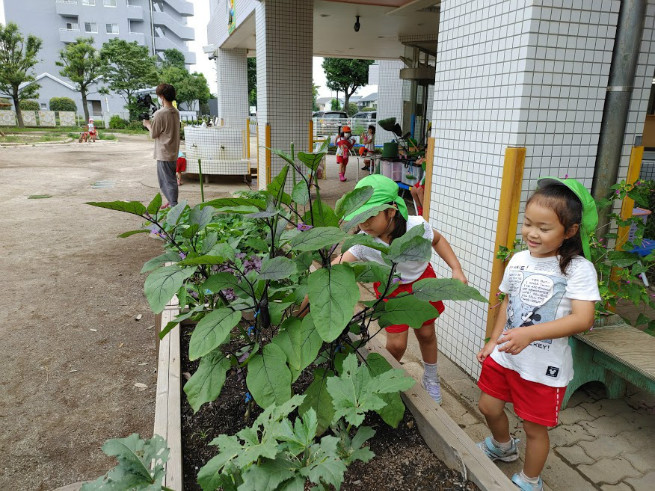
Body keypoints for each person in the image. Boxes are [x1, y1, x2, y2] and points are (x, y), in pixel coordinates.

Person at [476, 177, 600, 491]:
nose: (532, 233)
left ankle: (530, 481)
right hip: (506, 355)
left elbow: (584, 318)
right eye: (528, 223)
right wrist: (493, 340)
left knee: (534, 429)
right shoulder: (518, 260)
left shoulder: (577, 269)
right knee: (488, 407)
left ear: (570, 231)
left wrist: (531, 334)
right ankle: (503, 446)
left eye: (544, 229)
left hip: (542, 369)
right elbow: (507, 301)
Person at [335, 174, 468, 404]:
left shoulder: (416, 227)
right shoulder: (364, 241)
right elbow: (341, 261)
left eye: (370, 215)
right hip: (391, 289)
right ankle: (385, 382)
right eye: (359, 216)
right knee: (396, 344)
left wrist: (456, 268)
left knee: (426, 334)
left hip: (421, 283)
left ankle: (431, 377)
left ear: (392, 210)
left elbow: (437, 240)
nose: (363, 223)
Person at [143, 83, 180, 209]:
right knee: (170, 179)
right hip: (172, 151)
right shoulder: (175, 112)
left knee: (167, 182)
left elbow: (153, 133)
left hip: (164, 153)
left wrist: (147, 124)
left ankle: (174, 206)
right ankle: (171, 202)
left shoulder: (160, 113)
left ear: (162, 96)